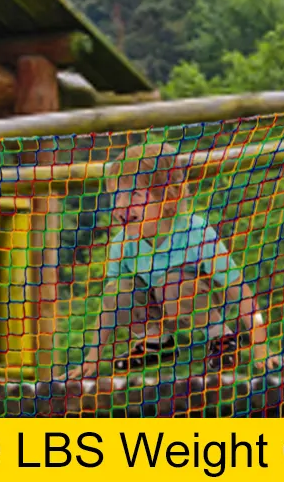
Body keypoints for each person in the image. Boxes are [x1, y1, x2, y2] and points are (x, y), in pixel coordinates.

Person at [82, 142, 270, 375]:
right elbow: (110, 305)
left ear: (168, 198)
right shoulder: (123, 244)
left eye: (134, 195)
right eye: (117, 196)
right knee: (116, 291)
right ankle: (157, 342)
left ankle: (220, 336)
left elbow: (239, 290)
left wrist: (261, 344)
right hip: (159, 306)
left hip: (198, 298)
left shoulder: (196, 233)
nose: (121, 205)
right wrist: (92, 358)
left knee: (172, 286)